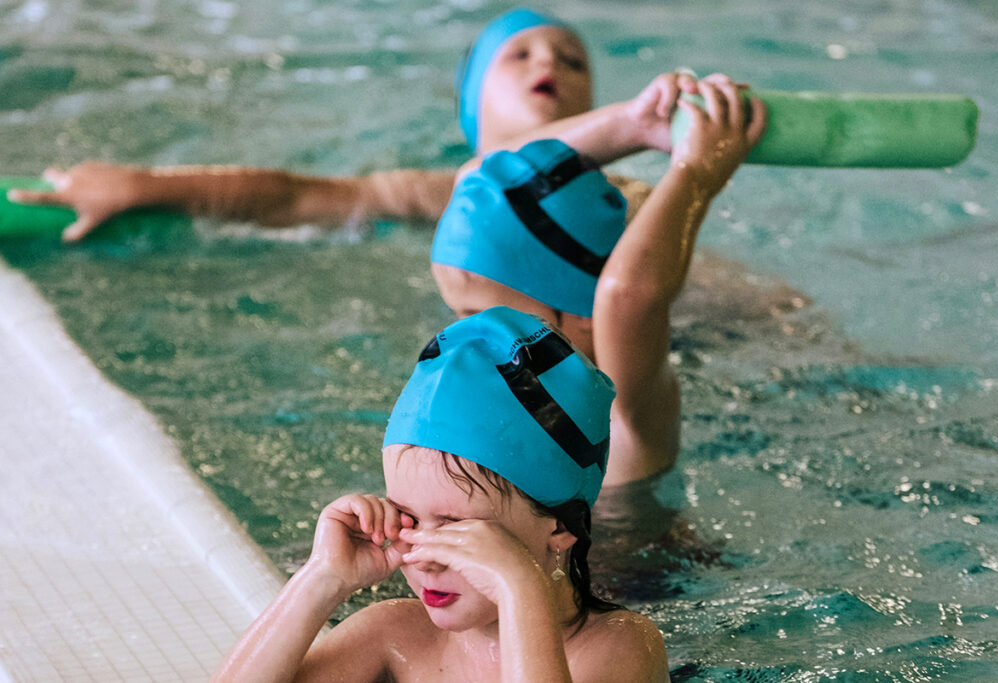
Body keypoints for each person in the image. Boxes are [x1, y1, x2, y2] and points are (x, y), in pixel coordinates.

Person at [211, 306, 670, 682]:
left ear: (561, 526)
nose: (423, 558)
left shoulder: (620, 647)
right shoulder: (395, 636)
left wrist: (520, 590)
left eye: (455, 528)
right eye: (407, 518)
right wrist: (322, 577)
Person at [5, 7, 732, 242]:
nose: (552, 63)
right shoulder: (442, 190)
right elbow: (296, 197)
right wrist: (142, 184)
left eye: (573, 60)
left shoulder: (629, 203)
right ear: (473, 109)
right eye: (520, 54)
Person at [431, 70, 766, 489]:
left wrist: (695, 172)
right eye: (456, 314)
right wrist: (631, 124)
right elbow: (475, 173)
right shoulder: (490, 408)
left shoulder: (623, 416)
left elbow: (629, 295)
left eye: (480, 313)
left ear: (585, 314)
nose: (461, 336)